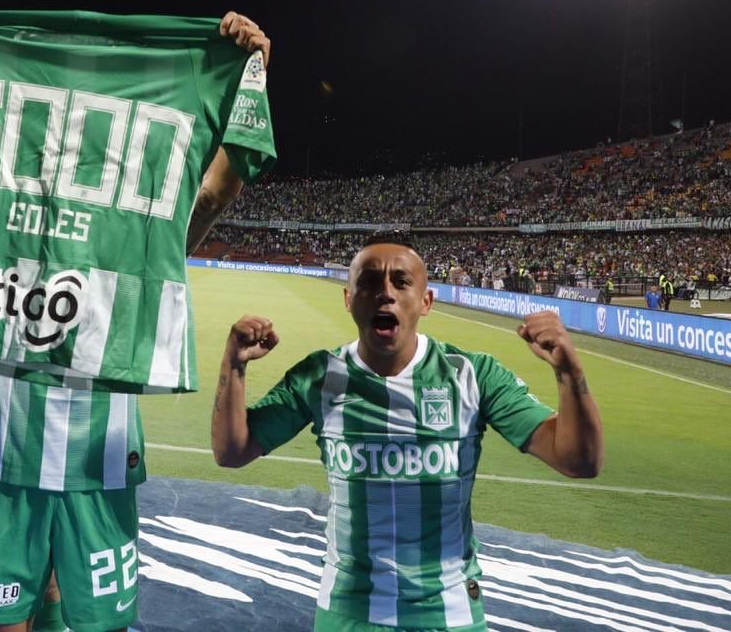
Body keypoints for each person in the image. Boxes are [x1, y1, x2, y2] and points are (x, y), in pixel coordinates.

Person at [0, 0, 273, 632]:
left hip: (103, 462)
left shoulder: (139, 235)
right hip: (14, 456)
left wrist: (253, 70)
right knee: (0, 619)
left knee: (93, 619)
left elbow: (216, 188)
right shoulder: (4, 222)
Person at [211, 232, 603, 631]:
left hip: (449, 614)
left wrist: (569, 372)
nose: (385, 293)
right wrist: (234, 363)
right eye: (368, 282)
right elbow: (232, 451)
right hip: (349, 612)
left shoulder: (472, 375)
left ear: (426, 301)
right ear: (348, 299)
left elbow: (579, 461)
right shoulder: (319, 376)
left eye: (401, 282)